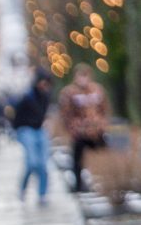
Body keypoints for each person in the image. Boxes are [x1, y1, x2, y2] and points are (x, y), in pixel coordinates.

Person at [58, 63, 110, 192]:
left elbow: (104, 109)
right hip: (80, 132)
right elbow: (65, 114)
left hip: (97, 131)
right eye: (80, 76)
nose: (83, 79)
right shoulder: (69, 93)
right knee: (77, 159)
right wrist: (73, 128)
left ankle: (105, 179)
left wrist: (102, 124)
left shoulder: (97, 90)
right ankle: (78, 185)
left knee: (104, 155)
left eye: (85, 76)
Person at [11, 68, 53, 206]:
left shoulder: (46, 96)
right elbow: (16, 115)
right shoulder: (27, 97)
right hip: (26, 130)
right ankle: (23, 189)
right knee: (32, 163)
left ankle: (42, 194)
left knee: (43, 164)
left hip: (39, 130)